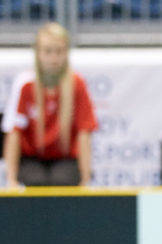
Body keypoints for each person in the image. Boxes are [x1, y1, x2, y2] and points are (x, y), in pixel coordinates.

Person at [3, 22, 97, 189]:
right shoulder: (25, 84)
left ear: (66, 53)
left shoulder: (77, 84)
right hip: (31, 159)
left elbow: (84, 133)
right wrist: (11, 180)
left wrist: (86, 179)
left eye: (59, 51)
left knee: (62, 180)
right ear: (38, 53)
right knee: (36, 181)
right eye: (47, 51)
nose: (53, 58)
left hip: (66, 159)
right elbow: (13, 133)